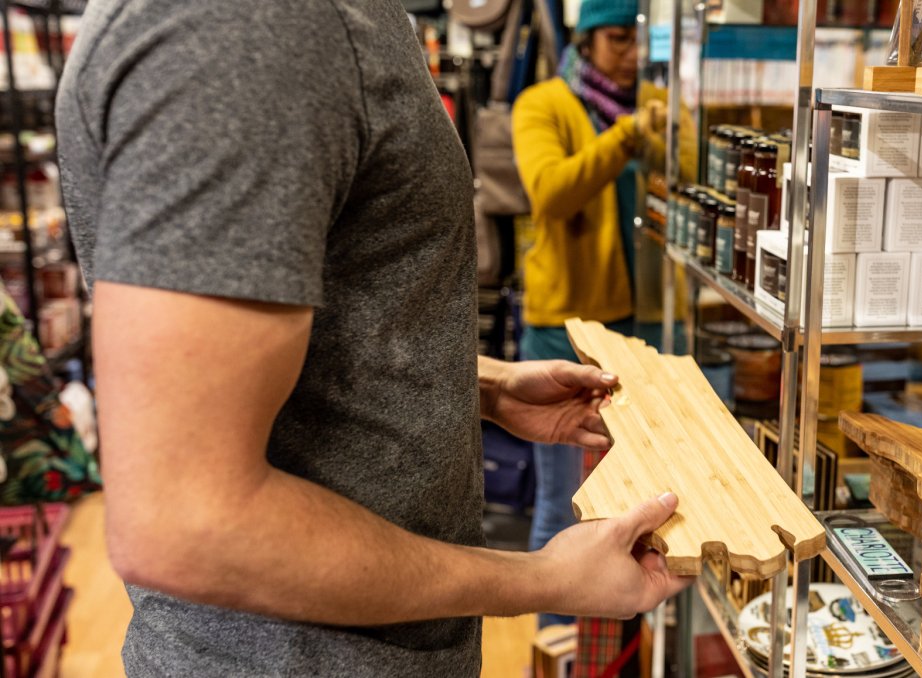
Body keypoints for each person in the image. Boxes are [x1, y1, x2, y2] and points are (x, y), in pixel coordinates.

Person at [55, 2, 690, 675]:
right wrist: (543, 579)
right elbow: (186, 524)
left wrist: (479, 385)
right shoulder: (250, 26)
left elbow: (268, 346)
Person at [513, 0, 666, 629]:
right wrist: (627, 135)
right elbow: (549, 192)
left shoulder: (655, 102)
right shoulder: (544, 103)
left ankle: (620, 650)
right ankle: (556, 648)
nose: (629, 52)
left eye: (637, 37)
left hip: (642, 328)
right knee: (564, 506)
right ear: (584, 37)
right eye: (615, 38)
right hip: (566, 331)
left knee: (643, 509)